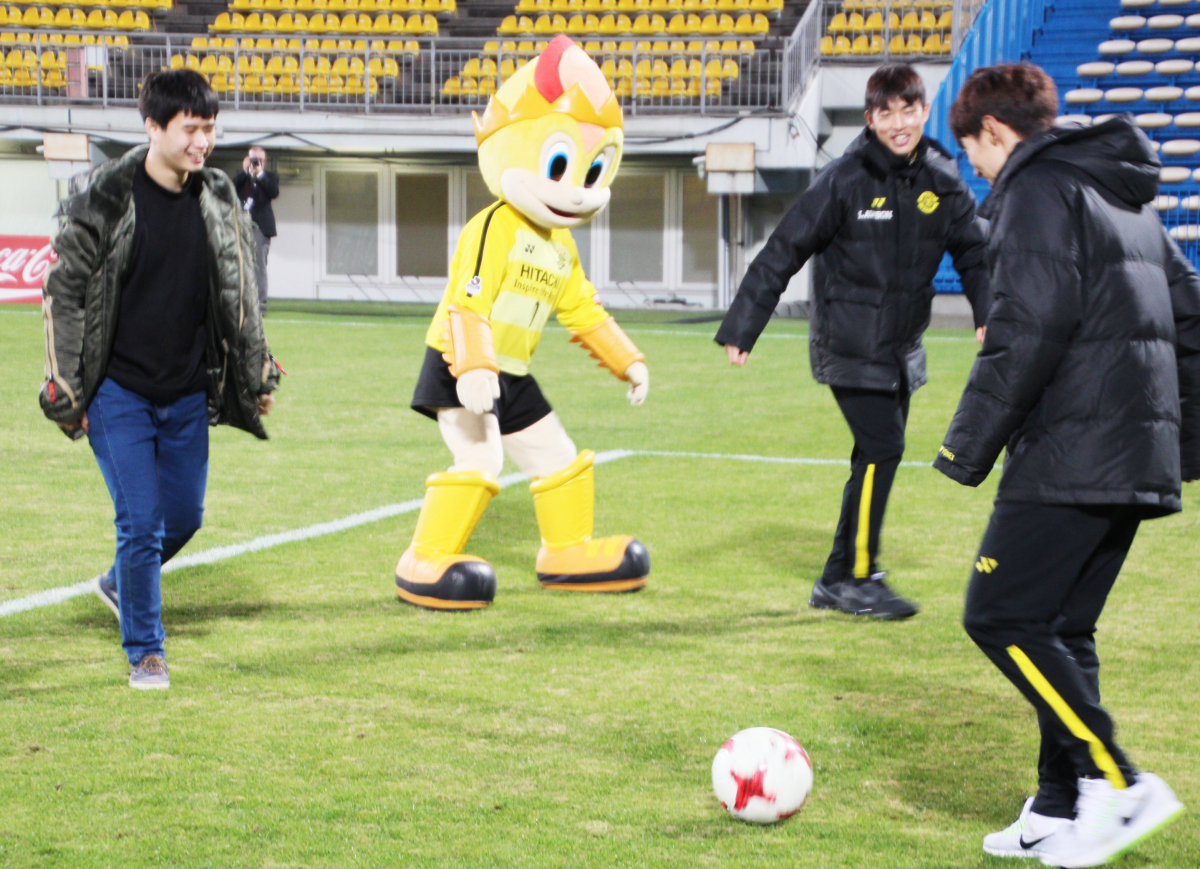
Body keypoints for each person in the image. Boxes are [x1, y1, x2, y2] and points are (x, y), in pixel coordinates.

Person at [936, 63, 1196, 865]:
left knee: (1000, 615)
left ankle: (1117, 781)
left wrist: (964, 446)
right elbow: (1190, 321)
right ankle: (1057, 805)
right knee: (1062, 627)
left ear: (994, 133)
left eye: (971, 150)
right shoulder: (1125, 195)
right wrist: (1170, 449)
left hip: (1072, 451)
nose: (974, 167)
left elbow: (1028, 328)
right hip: (1127, 452)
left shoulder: (1037, 191)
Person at [714, 62, 990, 620]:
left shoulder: (943, 177)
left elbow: (975, 252)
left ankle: (836, 578)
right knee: (883, 450)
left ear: (922, 112)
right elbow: (783, 249)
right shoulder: (843, 179)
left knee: (872, 456)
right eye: (884, 113)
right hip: (847, 345)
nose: (898, 123)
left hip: (902, 349)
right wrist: (744, 326)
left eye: (907, 110)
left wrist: (989, 311)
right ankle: (861, 578)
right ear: (870, 119)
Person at [39, 70, 282, 690]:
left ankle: (120, 582)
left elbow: (242, 293)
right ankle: (147, 650)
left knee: (184, 516)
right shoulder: (106, 197)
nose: (204, 141)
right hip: (117, 390)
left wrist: (257, 368)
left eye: (210, 128)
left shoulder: (219, 197)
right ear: (153, 127)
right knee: (141, 522)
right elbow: (63, 293)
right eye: (191, 129)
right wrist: (66, 385)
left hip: (186, 392)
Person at [396, 36, 651, 610]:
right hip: (460, 363)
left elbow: (582, 307)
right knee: (481, 458)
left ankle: (567, 551)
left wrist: (627, 360)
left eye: (589, 173)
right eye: (560, 166)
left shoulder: (561, 246)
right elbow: (469, 302)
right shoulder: (496, 226)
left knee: (556, 454)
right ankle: (426, 558)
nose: (574, 191)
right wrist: (474, 370)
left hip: (512, 372)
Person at [233, 145, 279, 317]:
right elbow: (230, 188)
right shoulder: (241, 177)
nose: (255, 162)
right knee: (239, 265)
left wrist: (259, 174)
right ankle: (241, 304)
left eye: (258, 159)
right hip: (240, 225)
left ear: (264, 161)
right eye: (253, 158)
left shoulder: (270, 177)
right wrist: (245, 172)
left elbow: (274, 192)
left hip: (260, 227)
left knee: (258, 266)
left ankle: (260, 305)